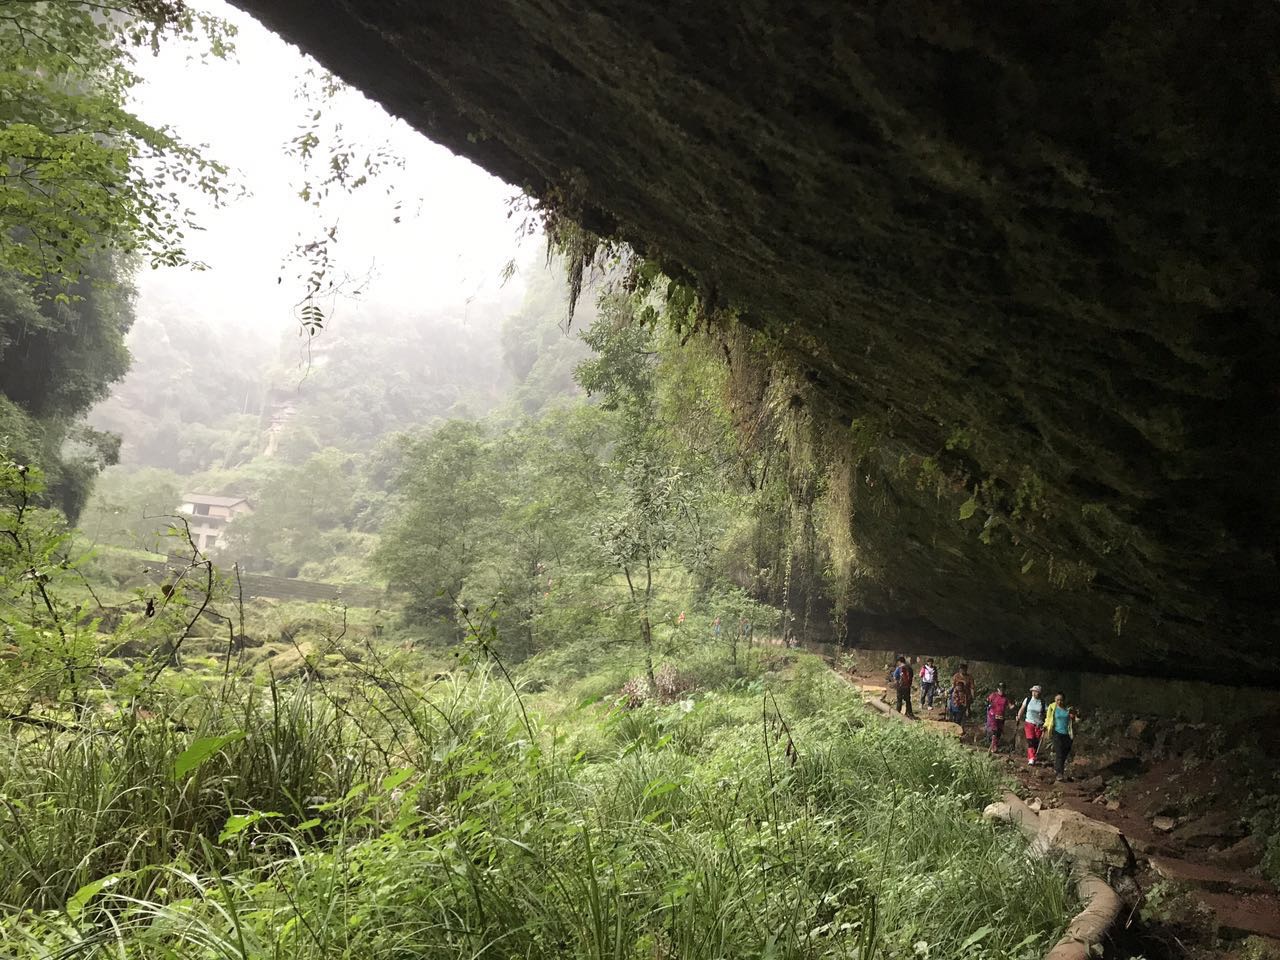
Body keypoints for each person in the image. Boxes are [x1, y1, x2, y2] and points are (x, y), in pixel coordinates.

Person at [1044, 693, 1078, 781]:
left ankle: (1057, 769)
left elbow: (1076, 720)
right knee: (1059, 753)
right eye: (1057, 700)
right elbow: (1048, 718)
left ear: (1064, 700)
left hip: (1067, 734)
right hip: (1057, 733)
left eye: (1061, 700)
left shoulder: (1068, 709)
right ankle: (1060, 773)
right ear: (1055, 700)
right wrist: (1045, 726)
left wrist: (1073, 717)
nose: (1059, 701)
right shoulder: (1052, 708)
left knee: (1064, 753)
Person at [1015, 685, 1046, 765]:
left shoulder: (1042, 702)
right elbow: (1022, 708)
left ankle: (1033, 756)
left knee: (1036, 742)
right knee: (1030, 741)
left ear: (1039, 693)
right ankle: (1031, 758)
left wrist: (1046, 723)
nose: (1034, 693)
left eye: (1036, 691)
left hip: (1038, 724)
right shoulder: (1028, 700)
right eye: (1033, 691)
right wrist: (1018, 716)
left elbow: (1047, 712)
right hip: (1029, 723)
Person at [986, 682, 1010, 753]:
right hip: (993, 715)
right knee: (995, 731)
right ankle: (994, 747)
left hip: (1001, 716)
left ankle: (995, 745)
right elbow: (987, 700)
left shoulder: (1006, 698)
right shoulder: (993, 695)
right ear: (998, 689)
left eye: (1003, 689)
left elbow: (1009, 705)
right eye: (1000, 689)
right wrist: (989, 705)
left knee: (999, 732)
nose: (1001, 690)